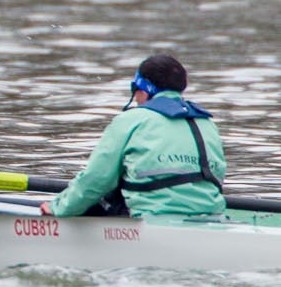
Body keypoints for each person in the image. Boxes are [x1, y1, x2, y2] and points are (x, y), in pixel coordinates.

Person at [41, 55, 226, 220]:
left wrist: (58, 207)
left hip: (153, 218)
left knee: (106, 193)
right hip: (212, 216)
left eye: (135, 90)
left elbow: (96, 180)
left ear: (143, 90)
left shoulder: (132, 120)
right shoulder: (207, 123)